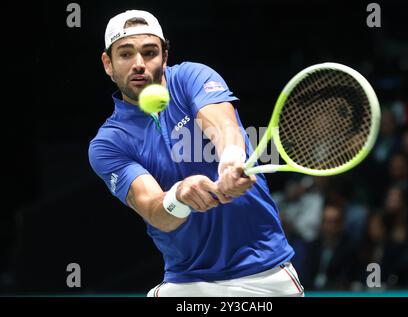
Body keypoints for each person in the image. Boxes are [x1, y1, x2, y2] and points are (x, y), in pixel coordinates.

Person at [88, 10, 303, 297]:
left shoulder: (192, 77)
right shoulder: (108, 143)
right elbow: (154, 211)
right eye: (125, 54)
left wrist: (230, 161)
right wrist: (179, 196)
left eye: (149, 52)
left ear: (165, 56)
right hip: (186, 283)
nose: (139, 64)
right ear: (108, 63)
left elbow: (224, 128)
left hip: (265, 274)